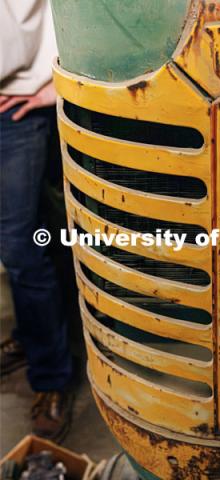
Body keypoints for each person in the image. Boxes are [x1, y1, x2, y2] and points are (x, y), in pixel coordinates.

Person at [0, 0, 73, 442]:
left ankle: (52, 378)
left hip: (15, 108)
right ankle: (30, 337)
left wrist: (54, 82)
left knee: (21, 248)